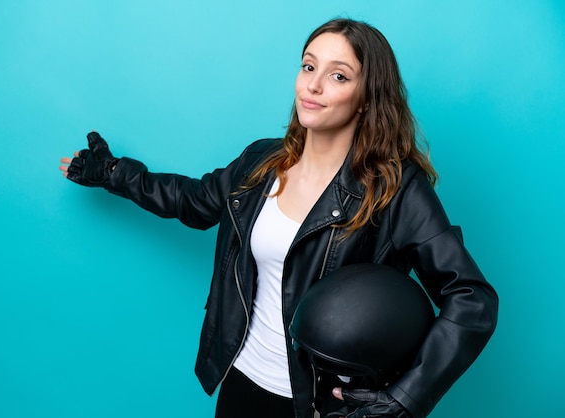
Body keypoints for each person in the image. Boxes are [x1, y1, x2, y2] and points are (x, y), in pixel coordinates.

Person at [59, 18, 498, 418]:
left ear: (366, 100)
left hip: (326, 407)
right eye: (309, 67)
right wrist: (116, 174)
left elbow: (472, 299)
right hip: (242, 383)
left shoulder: (394, 188)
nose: (314, 86)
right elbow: (193, 201)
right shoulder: (262, 161)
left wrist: (405, 398)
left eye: (338, 75)